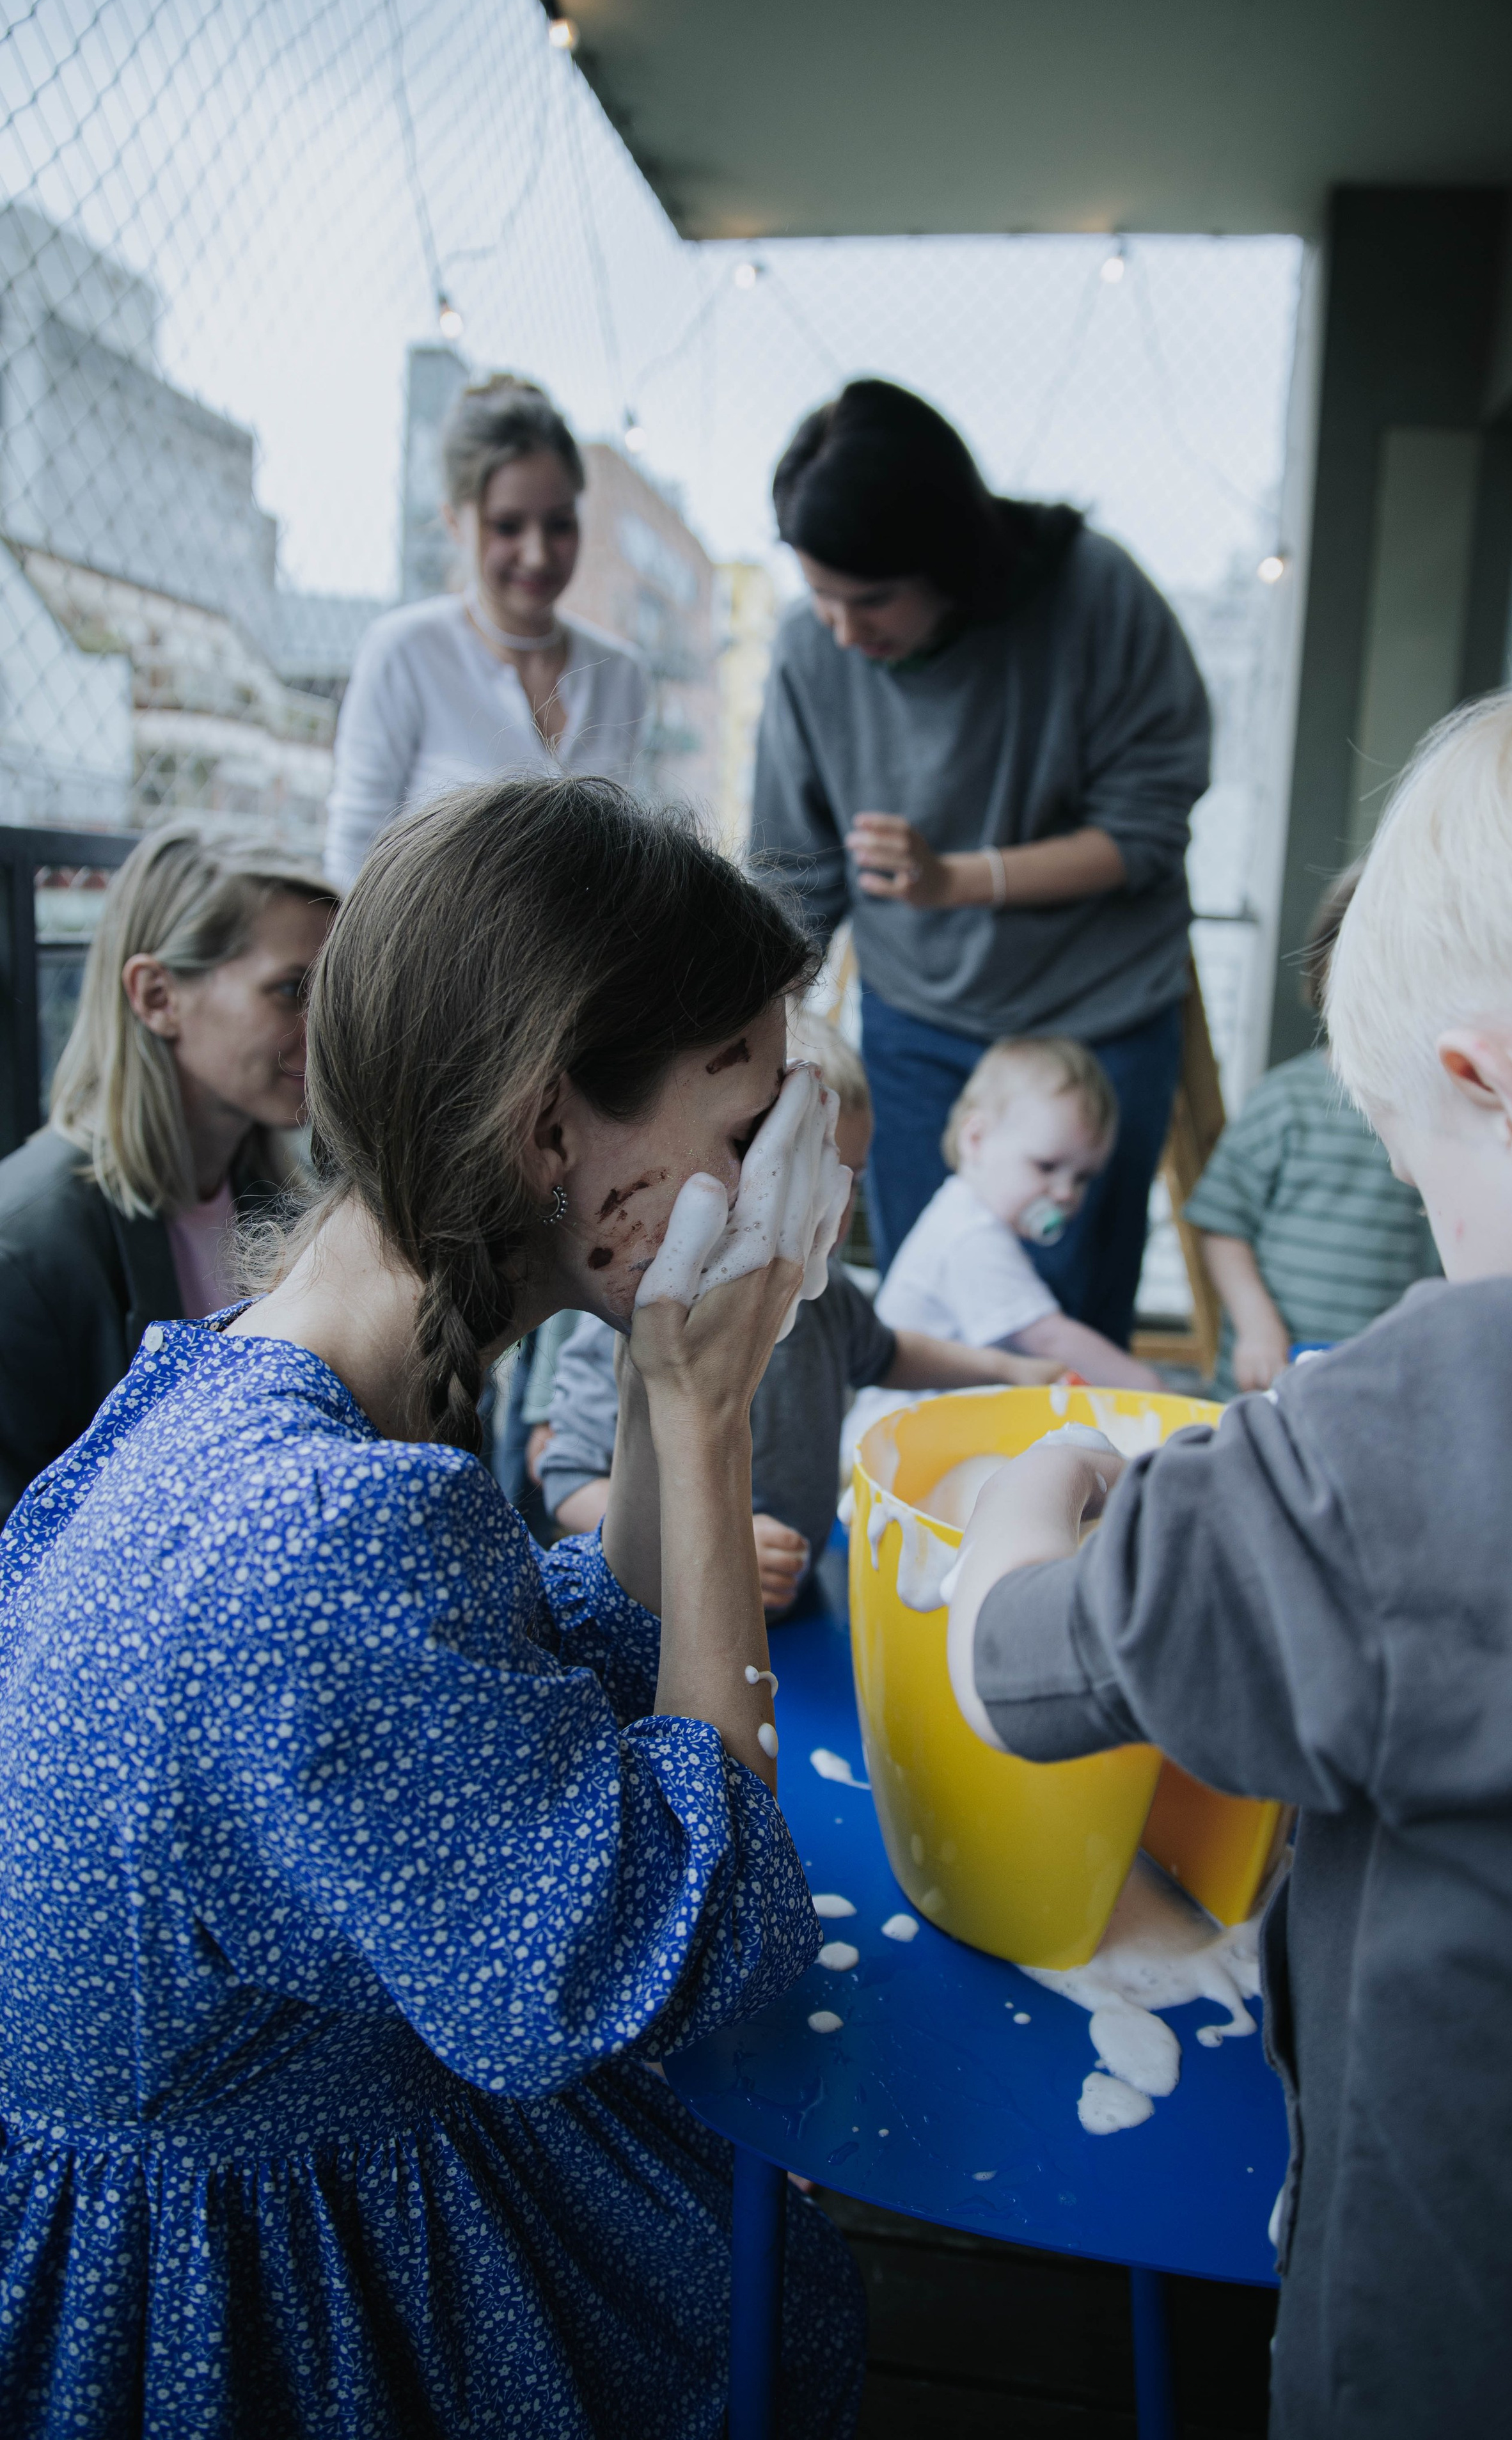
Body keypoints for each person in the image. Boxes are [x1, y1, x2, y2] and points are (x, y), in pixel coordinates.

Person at [0, 777, 865, 2437]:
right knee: (745, 2308)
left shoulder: (248, 1387)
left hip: (254, 2145)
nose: (773, 1192)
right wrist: (707, 1407)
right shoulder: (320, 1538)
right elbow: (696, 1938)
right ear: (554, 1133)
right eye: (744, 1132)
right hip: (223, 2282)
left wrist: (656, 1382)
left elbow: (577, 1674)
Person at [945, 682, 1512, 2438]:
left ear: (1500, 1102)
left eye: (1426, 1184)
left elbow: (1021, 1669)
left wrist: (1044, 1487)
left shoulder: (1466, 1398)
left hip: (1478, 2355)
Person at [752, 377, 1211, 1347]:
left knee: (1072, 1313)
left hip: (1099, 1017)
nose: (842, 630)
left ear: (950, 557)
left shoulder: (1096, 594)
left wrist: (959, 879)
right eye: (820, 596)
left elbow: (1147, 831)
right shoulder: (809, 654)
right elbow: (793, 882)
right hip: (927, 1024)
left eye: (870, 599)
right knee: (939, 1307)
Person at [537, 1019, 1064, 1611]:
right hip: (668, 1631)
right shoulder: (641, 1317)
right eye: (810, 1179)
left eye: (854, 1182)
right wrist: (712, 1540)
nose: (837, 1213)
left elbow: (890, 1355)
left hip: (801, 1614)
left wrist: (1007, 1370)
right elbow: (570, 1483)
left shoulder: (829, 1295)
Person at [0, 821, 337, 1523]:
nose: (329, 1025)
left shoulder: (282, 1205)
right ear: (156, 996)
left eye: (334, 989)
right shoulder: (26, 1250)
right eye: (291, 989)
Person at [323, 375, 649, 888]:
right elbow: (351, 861)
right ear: (455, 521)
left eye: (560, 524)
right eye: (507, 526)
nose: (538, 554)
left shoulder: (621, 675)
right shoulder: (406, 653)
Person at [1185, 865, 1442, 1394]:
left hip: (1377, 1382)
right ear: (1328, 971)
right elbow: (1221, 1225)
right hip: (1266, 1375)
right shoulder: (1286, 1100)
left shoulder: (1441, 1117)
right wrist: (1257, 1325)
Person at [875, 1036, 1160, 1387]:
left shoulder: (967, 1215)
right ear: (976, 1140)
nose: (1065, 1193)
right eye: (1046, 1166)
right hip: (902, 1425)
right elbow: (1050, 1339)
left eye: (1083, 1177)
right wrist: (1148, 1386)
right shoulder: (970, 1237)